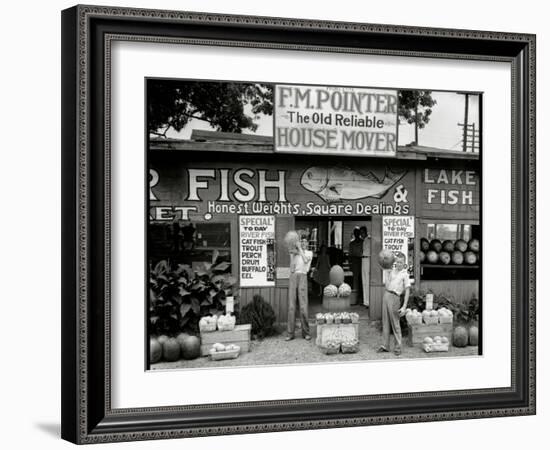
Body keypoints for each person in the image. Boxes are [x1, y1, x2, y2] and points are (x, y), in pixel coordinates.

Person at [378, 252, 410, 356]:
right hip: (386, 295)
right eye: (397, 262)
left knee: (395, 324)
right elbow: (387, 284)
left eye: (401, 262)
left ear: (404, 263)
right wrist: (386, 272)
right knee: (385, 322)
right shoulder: (392, 271)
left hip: (395, 298)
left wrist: (404, 306)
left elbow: (407, 291)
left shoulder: (405, 274)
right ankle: (385, 346)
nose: (399, 264)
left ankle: (398, 348)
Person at [286, 237, 313, 341]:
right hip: (293, 276)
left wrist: (299, 250)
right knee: (291, 306)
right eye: (301, 241)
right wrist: (293, 255)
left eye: (306, 241)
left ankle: (306, 332)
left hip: (303, 276)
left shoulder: (309, 253)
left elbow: (306, 261)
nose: (303, 243)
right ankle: (290, 333)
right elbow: (292, 268)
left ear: (308, 243)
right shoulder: (294, 253)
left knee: (303, 306)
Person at [348, 227, 363, 304]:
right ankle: (356, 298)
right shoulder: (352, 243)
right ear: (354, 234)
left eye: (358, 233)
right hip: (355, 261)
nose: (357, 235)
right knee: (355, 280)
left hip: (363, 260)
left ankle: (363, 297)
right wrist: (351, 264)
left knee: (363, 279)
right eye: (355, 233)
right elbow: (350, 255)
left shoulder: (363, 242)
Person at [359, 226, 371, 307]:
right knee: (364, 280)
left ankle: (368, 302)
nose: (361, 234)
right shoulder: (364, 241)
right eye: (361, 233)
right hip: (363, 259)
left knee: (367, 280)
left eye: (362, 232)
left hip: (368, 259)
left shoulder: (369, 239)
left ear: (366, 232)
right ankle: (365, 301)